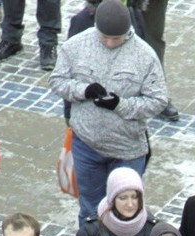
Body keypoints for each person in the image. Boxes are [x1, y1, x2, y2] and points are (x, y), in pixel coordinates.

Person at [48, 0, 168, 222]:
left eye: (117, 38)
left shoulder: (145, 56)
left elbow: (158, 100)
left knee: (126, 213)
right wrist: (84, 90)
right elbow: (57, 81)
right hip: (86, 145)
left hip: (128, 150)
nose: (111, 43)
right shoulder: (75, 46)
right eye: (105, 37)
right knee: (90, 213)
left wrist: (120, 104)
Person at [65, 166, 156, 236]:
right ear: (112, 200)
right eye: (123, 198)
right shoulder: (91, 231)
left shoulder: (152, 228)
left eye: (134, 197)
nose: (130, 204)